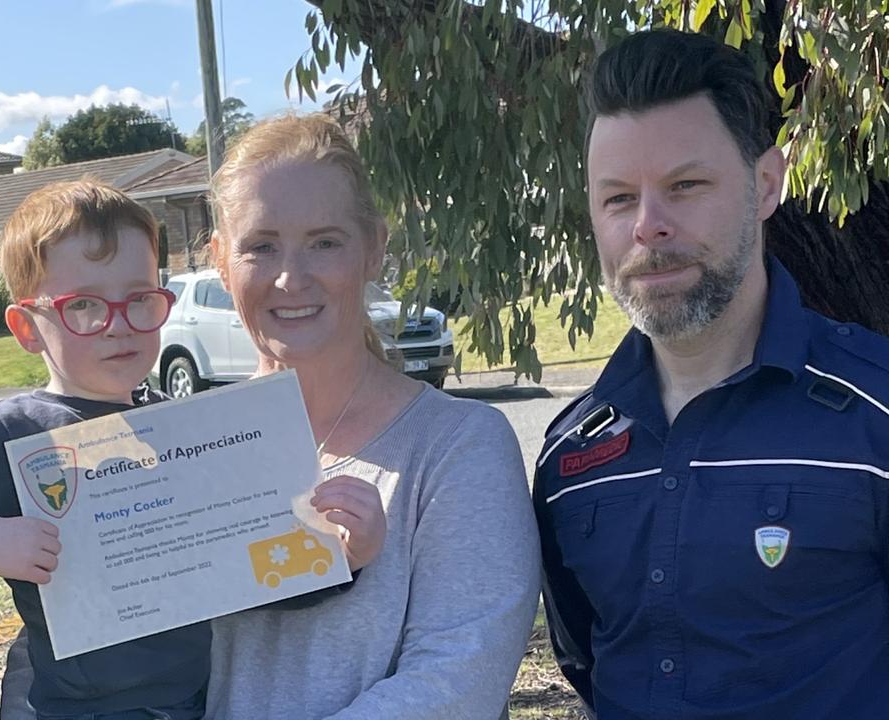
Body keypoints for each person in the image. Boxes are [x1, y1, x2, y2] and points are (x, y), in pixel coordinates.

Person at [0, 179, 387, 720]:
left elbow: (244, 572)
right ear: (27, 327)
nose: (118, 326)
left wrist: (342, 557)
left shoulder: (186, 428)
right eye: (83, 306)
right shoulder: (4, 437)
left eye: (138, 300)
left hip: (200, 705)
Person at [534, 28, 889, 719]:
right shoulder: (570, 458)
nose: (648, 226)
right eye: (616, 199)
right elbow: (586, 658)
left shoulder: (876, 412)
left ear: (764, 185)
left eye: (685, 186)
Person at [202, 113, 540, 720]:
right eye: (261, 246)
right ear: (221, 261)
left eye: (325, 242)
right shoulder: (185, 452)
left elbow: (457, 681)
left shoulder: (457, 446)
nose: (291, 277)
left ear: (376, 247)